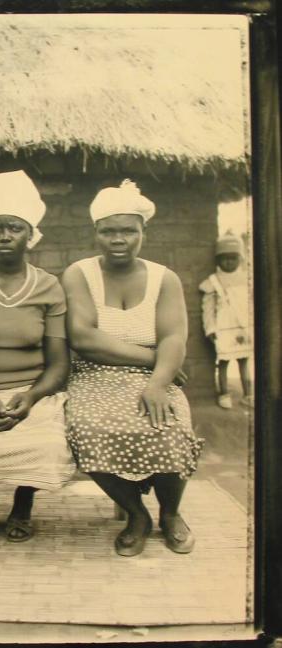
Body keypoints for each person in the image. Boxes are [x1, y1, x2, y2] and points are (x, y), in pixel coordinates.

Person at [62, 179, 203, 557]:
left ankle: (171, 513)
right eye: (109, 231)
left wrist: (159, 382)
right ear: (96, 232)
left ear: (143, 231)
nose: (118, 239)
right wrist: (154, 359)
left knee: (171, 426)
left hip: (155, 375)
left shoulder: (163, 279)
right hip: (93, 373)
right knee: (86, 427)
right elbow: (83, 338)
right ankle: (136, 513)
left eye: (128, 230)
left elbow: (174, 338)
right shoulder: (80, 274)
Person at [0, 170, 76, 543]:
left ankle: (23, 503)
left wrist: (32, 397)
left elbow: (58, 363)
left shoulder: (49, 287)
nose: (5, 236)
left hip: (32, 391)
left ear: (30, 235)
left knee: (45, 443)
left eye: (15, 228)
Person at [199, 232, 253, 409]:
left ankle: (248, 394)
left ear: (240, 259)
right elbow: (207, 308)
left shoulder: (247, 279)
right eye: (224, 258)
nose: (229, 262)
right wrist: (210, 329)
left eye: (233, 258)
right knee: (223, 361)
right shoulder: (213, 281)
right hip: (223, 328)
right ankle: (224, 393)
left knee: (244, 361)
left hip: (242, 327)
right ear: (218, 260)